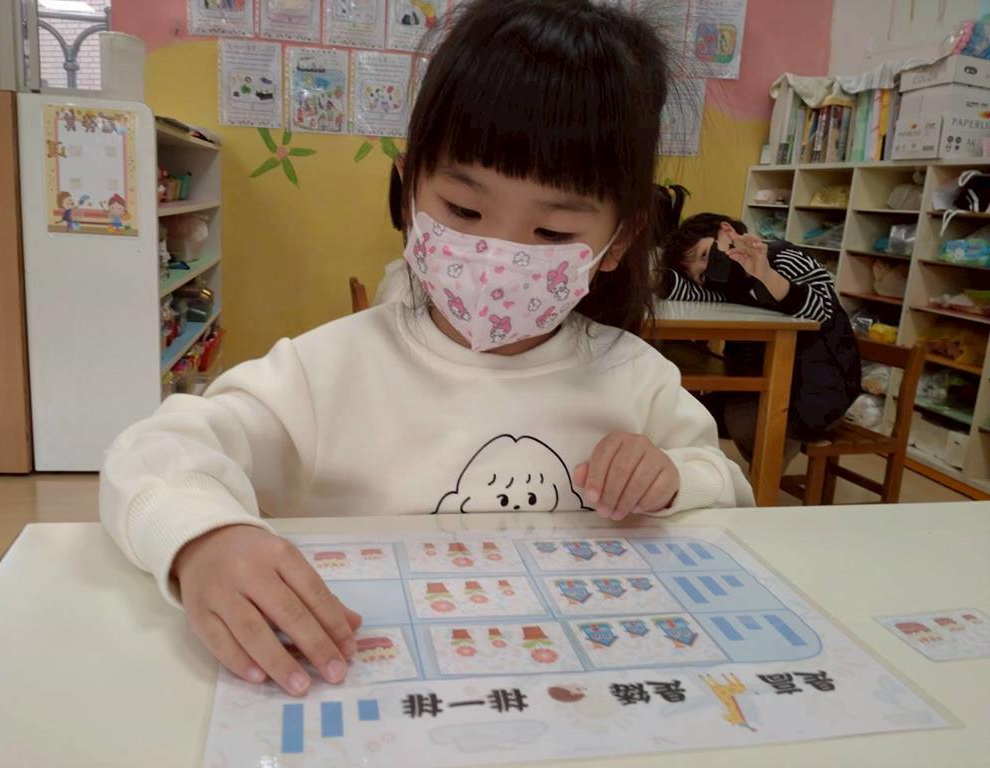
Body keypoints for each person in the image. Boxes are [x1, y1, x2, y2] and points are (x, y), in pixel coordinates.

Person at [100, 0, 753, 699]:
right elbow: (155, 450)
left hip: (569, 691)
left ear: (619, 240)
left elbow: (726, 487)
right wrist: (203, 539)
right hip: (380, 689)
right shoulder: (329, 371)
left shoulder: (635, 379)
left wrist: (673, 479)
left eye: (553, 233)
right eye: (464, 210)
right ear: (409, 187)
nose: (498, 253)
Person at [659, 213, 861, 467]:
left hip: (820, 388)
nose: (707, 272)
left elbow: (821, 310)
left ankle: (766, 473)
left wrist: (765, 274)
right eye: (700, 276)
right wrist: (651, 276)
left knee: (740, 420)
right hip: (765, 381)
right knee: (682, 408)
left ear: (726, 233)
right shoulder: (727, 283)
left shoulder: (786, 258)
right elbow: (691, 292)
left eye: (705, 256)